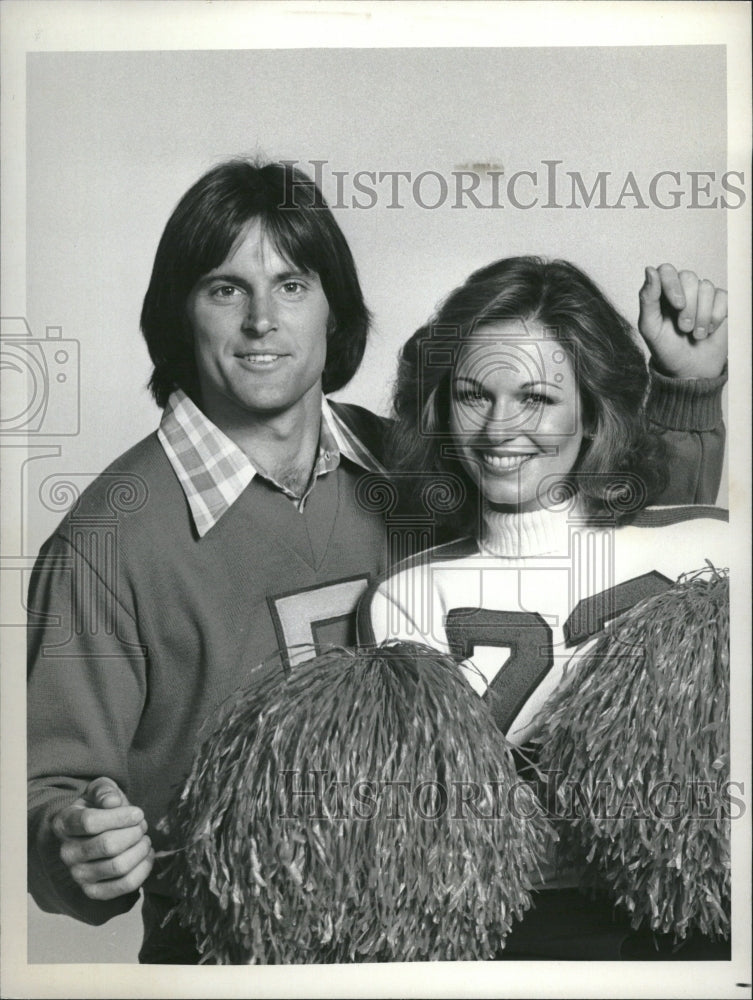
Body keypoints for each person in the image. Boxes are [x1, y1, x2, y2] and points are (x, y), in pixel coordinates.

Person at [27, 160, 726, 965]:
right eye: (225, 288)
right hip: (234, 955)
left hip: (434, 941)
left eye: (291, 285)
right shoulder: (107, 542)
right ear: (179, 314)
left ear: (334, 310)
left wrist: (684, 390)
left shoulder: (415, 467)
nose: (262, 320)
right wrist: (69, 842)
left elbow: (615, 539)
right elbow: (50, 792)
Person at [357, 254, 729, 959]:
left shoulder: (710, 543)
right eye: (473, 395)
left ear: (592, 407)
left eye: (534, 397)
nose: (500, 429)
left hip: (704, 932)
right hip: (517, 943)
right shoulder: (403, 599)